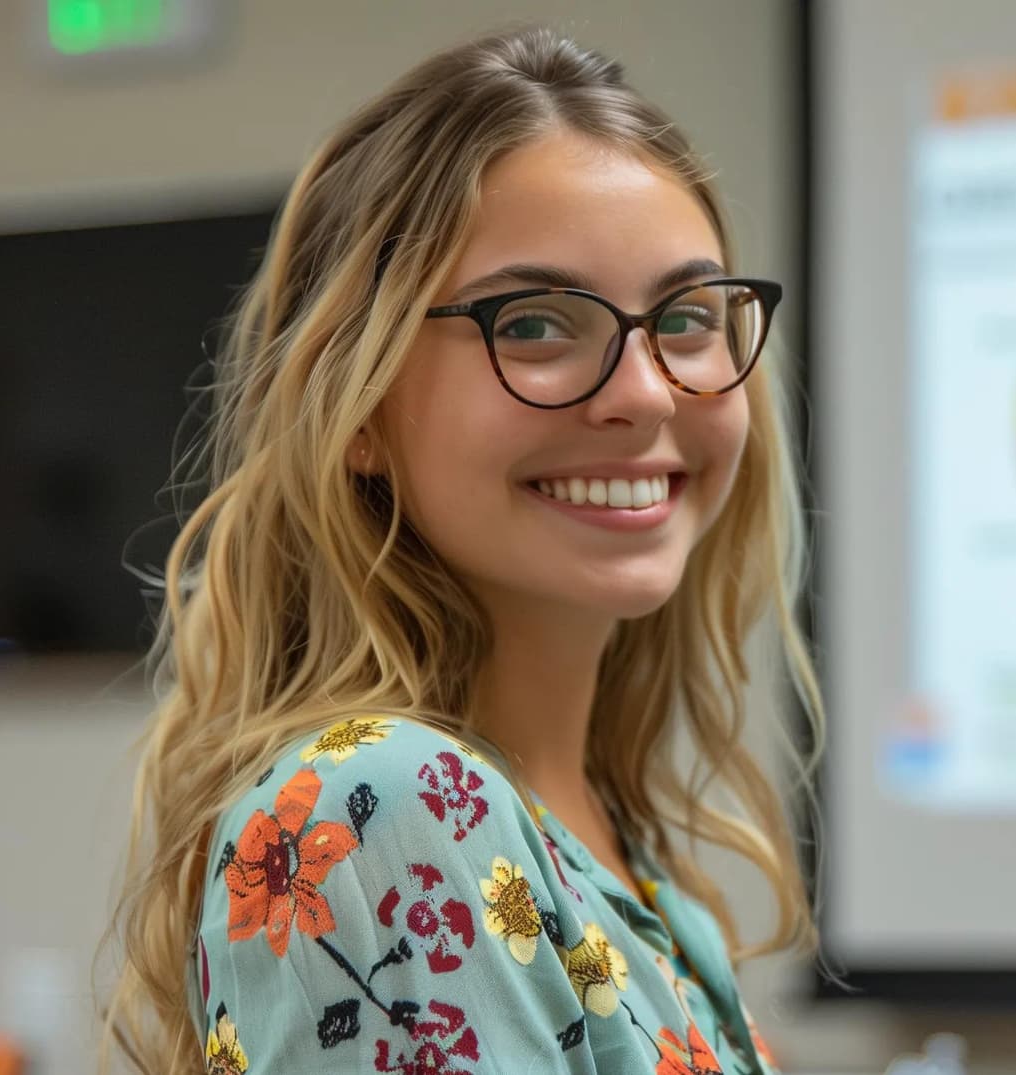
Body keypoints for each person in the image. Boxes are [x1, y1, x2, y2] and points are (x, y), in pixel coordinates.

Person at [101, 26, 821, 1074]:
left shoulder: (612, 846)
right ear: (356, 405)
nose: (647, 392)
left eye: (688, 317)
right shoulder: (383, 805)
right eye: (534, 323)